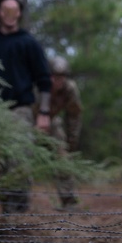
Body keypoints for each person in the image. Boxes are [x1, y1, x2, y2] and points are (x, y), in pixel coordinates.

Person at [0, 0, 53, 213]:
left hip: (20, 110)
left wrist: (44, 112)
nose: (10, 14)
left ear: (19, 13)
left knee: (19, 162)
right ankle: (7, 209)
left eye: (14, 10)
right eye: (5, 9)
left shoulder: (29, 43)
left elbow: (44, 80)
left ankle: (19, 214)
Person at [47, 56, 83, 209]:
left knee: (63, 157)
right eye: (55, 76)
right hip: (30, 122)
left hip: (52, 122)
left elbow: (74, 116)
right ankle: (17, 202)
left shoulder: (70, 89)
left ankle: (68, 200)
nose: (58, 81)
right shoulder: (38, 85)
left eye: (62, 77)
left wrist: (71, 143)